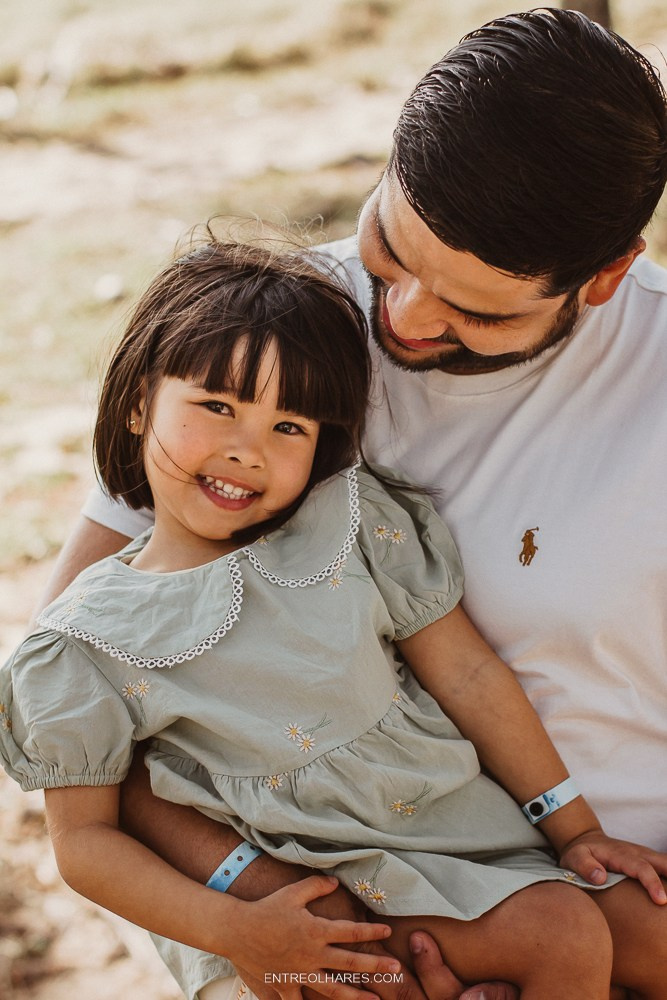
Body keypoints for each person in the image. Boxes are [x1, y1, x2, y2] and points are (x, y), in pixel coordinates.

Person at [29, 8, 667, 1000]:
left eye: (477, 309)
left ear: (607, 276)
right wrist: (291, 915)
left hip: (596, 911)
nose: (402, 321)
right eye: (390, 246)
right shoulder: (258, 339)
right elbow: (89, 700)